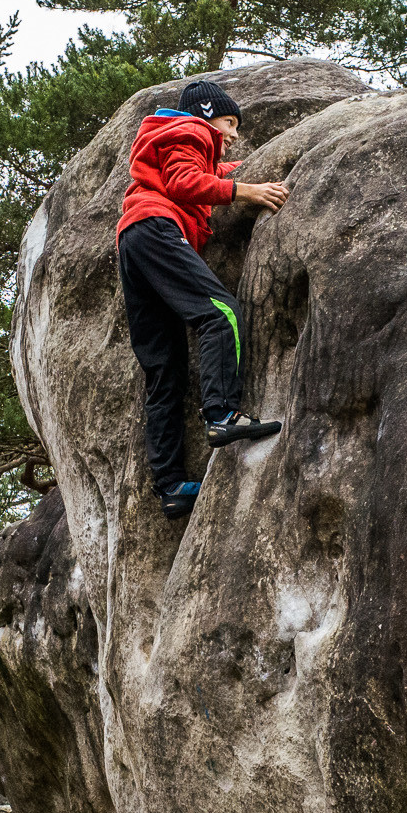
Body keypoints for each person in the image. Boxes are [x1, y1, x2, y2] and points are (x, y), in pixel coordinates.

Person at [117, 79, 291, 517]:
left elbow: (197, 174)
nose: (232, 134)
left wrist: (232, 173)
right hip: (158, 228)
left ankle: (172, 486)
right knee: (222, 314)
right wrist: (246, 191)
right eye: (229, 122)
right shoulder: (192, 131)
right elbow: (182, 180)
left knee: (165, 371)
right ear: (206, 112)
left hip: (135, 240)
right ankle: (223, 414)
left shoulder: (174, 139)